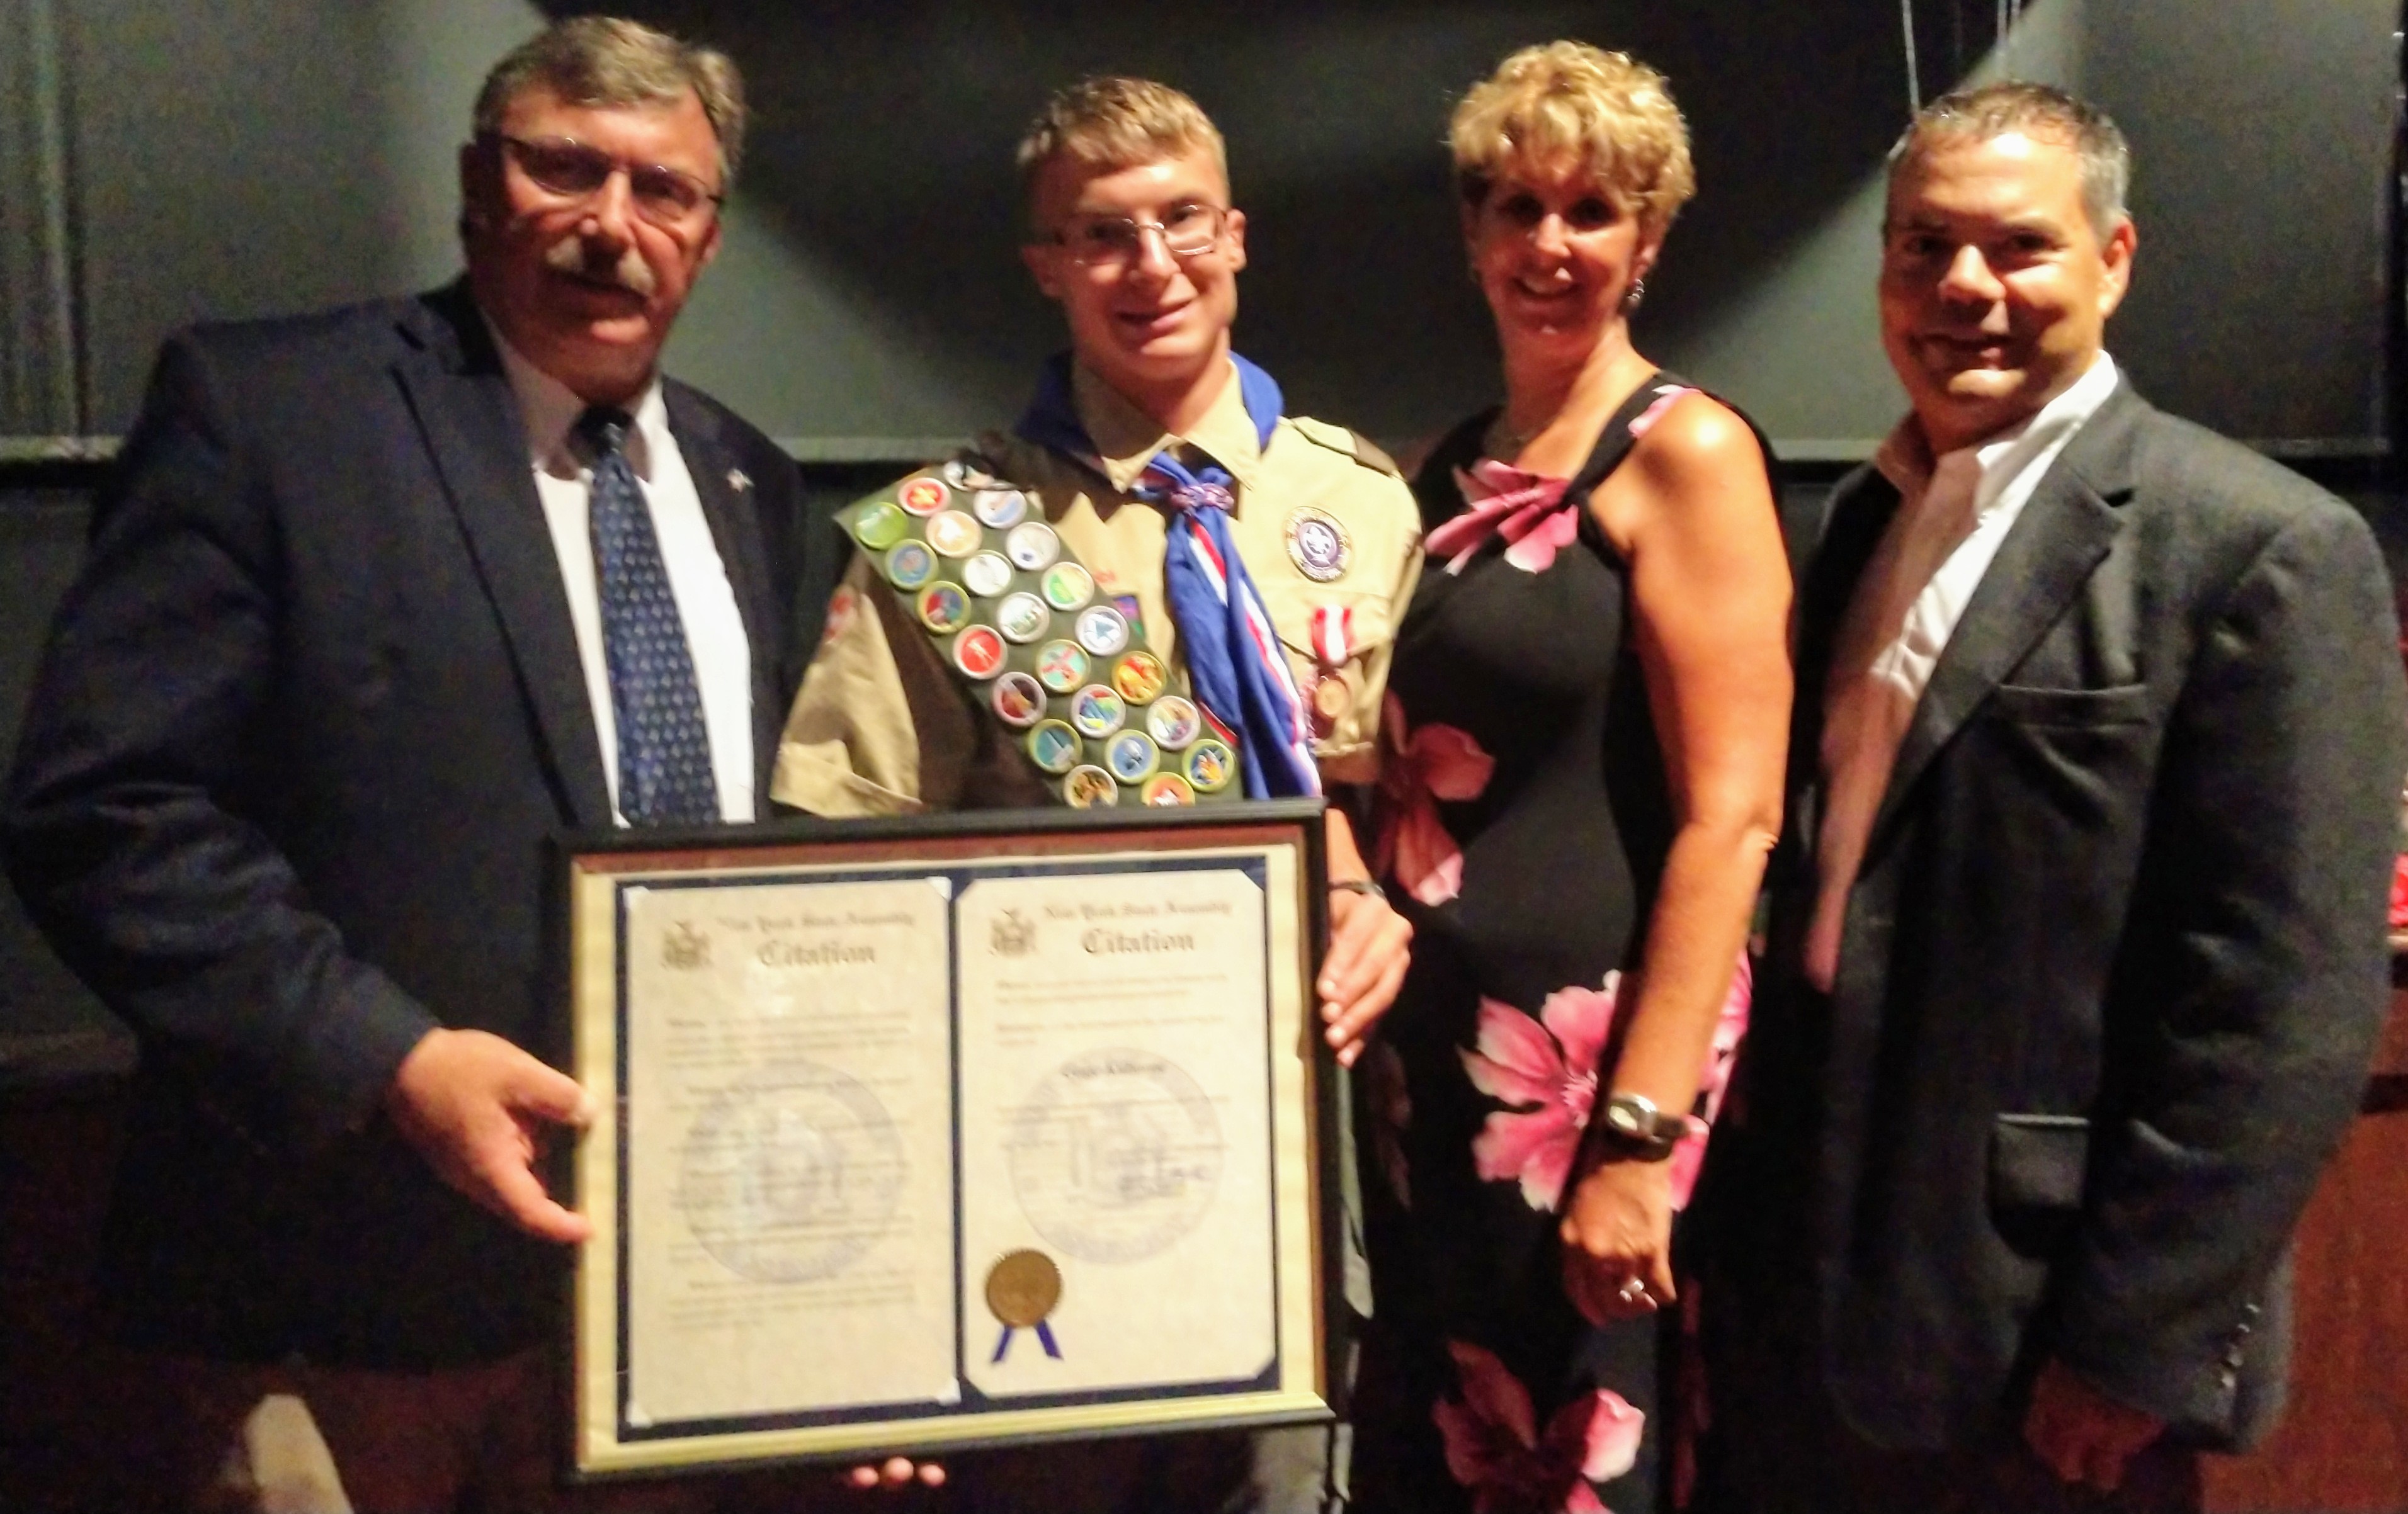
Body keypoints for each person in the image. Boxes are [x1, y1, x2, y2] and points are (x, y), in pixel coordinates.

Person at [1, 18, 816, 1512]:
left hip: (661, 1313)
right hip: (337, 1298)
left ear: (707, 233)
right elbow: (105, 810)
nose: (611, 226)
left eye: (665, 191)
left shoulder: (749, 482)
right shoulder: (275, 414)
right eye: (563, 167)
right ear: (476, 183)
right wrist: (386, 1057)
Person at [1699, 82, 2408, 1514]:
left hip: (2043, 1317)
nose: (1961, 288)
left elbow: (2281, 1004)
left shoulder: (2260, 547)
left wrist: (2137, 1344)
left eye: (2016, 247)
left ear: (2114, 259)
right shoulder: (1864, 521)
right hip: (1820, 1272)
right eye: (1919, 247)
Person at [772, 76, 1422, 1512]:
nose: (1150, 267)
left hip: (1295, 1155)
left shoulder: (1362, 502)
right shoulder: (960, 530)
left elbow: (1385, 811)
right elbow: (837, 878)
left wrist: (1369, 898)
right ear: (1047, 268)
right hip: (1035, 1162)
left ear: (1235, 235)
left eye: (1180, 222)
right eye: (1101, 235)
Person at [1346, 42, 1791, 1514]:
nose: (1550, 245)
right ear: (1472, 233)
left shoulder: (1689, 455)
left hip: (1583, 1090)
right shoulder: (1439, 467)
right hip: (1430, 1083)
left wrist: (1637, 1143)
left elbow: (1733, 821)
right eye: (1515, 208)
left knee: (1574, 1462)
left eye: (1592, 212)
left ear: (1649, 240)